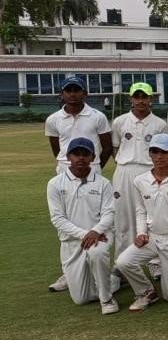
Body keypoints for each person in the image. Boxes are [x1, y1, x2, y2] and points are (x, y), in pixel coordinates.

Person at [44, 75, 113, 293]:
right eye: (68, 90)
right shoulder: (53, 119)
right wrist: (70, 166)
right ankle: (70, 271)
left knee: (95, 223)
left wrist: (93, 165)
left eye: (77, 90)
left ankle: (101, 270)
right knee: (68, 225)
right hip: (65, 175)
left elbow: (107, 146)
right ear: (62, 93)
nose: (72, 94)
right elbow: (58, 150)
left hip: (93, 174)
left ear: (85, 93)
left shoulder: (97, 116)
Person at [114, 133, 168, 311]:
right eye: (155, 152)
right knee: (123, 261)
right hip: (153, 238)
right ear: (149, 154)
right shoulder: (140, 181)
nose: (159, 157)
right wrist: (141, 233)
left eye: (164, 152)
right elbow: (140, 210)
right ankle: (146, 292)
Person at [46, 137, 117, 314]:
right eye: (76, 154)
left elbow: (109, 213)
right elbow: (58, 218)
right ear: (68, 156)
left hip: (100, 237)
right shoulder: (55, 184)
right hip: (71, 241)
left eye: (85, 154)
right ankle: (111, 281)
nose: (81, 158)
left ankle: (107, 298)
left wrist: (96, 231)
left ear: (93, 157)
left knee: (97, 253)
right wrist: (85, 233)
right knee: (81, 299)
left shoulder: (103, 183)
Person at [110, 82, 168, 259]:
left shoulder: (160, 124)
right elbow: (115, 148)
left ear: (151, 99)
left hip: (149, 171)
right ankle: (122, 262)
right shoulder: (119, 122)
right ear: (131, 99)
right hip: (125, 171)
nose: (141, 101)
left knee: (153, 215)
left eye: (145, 97)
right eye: (137, 96)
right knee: (123, 217)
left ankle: (155, 261)